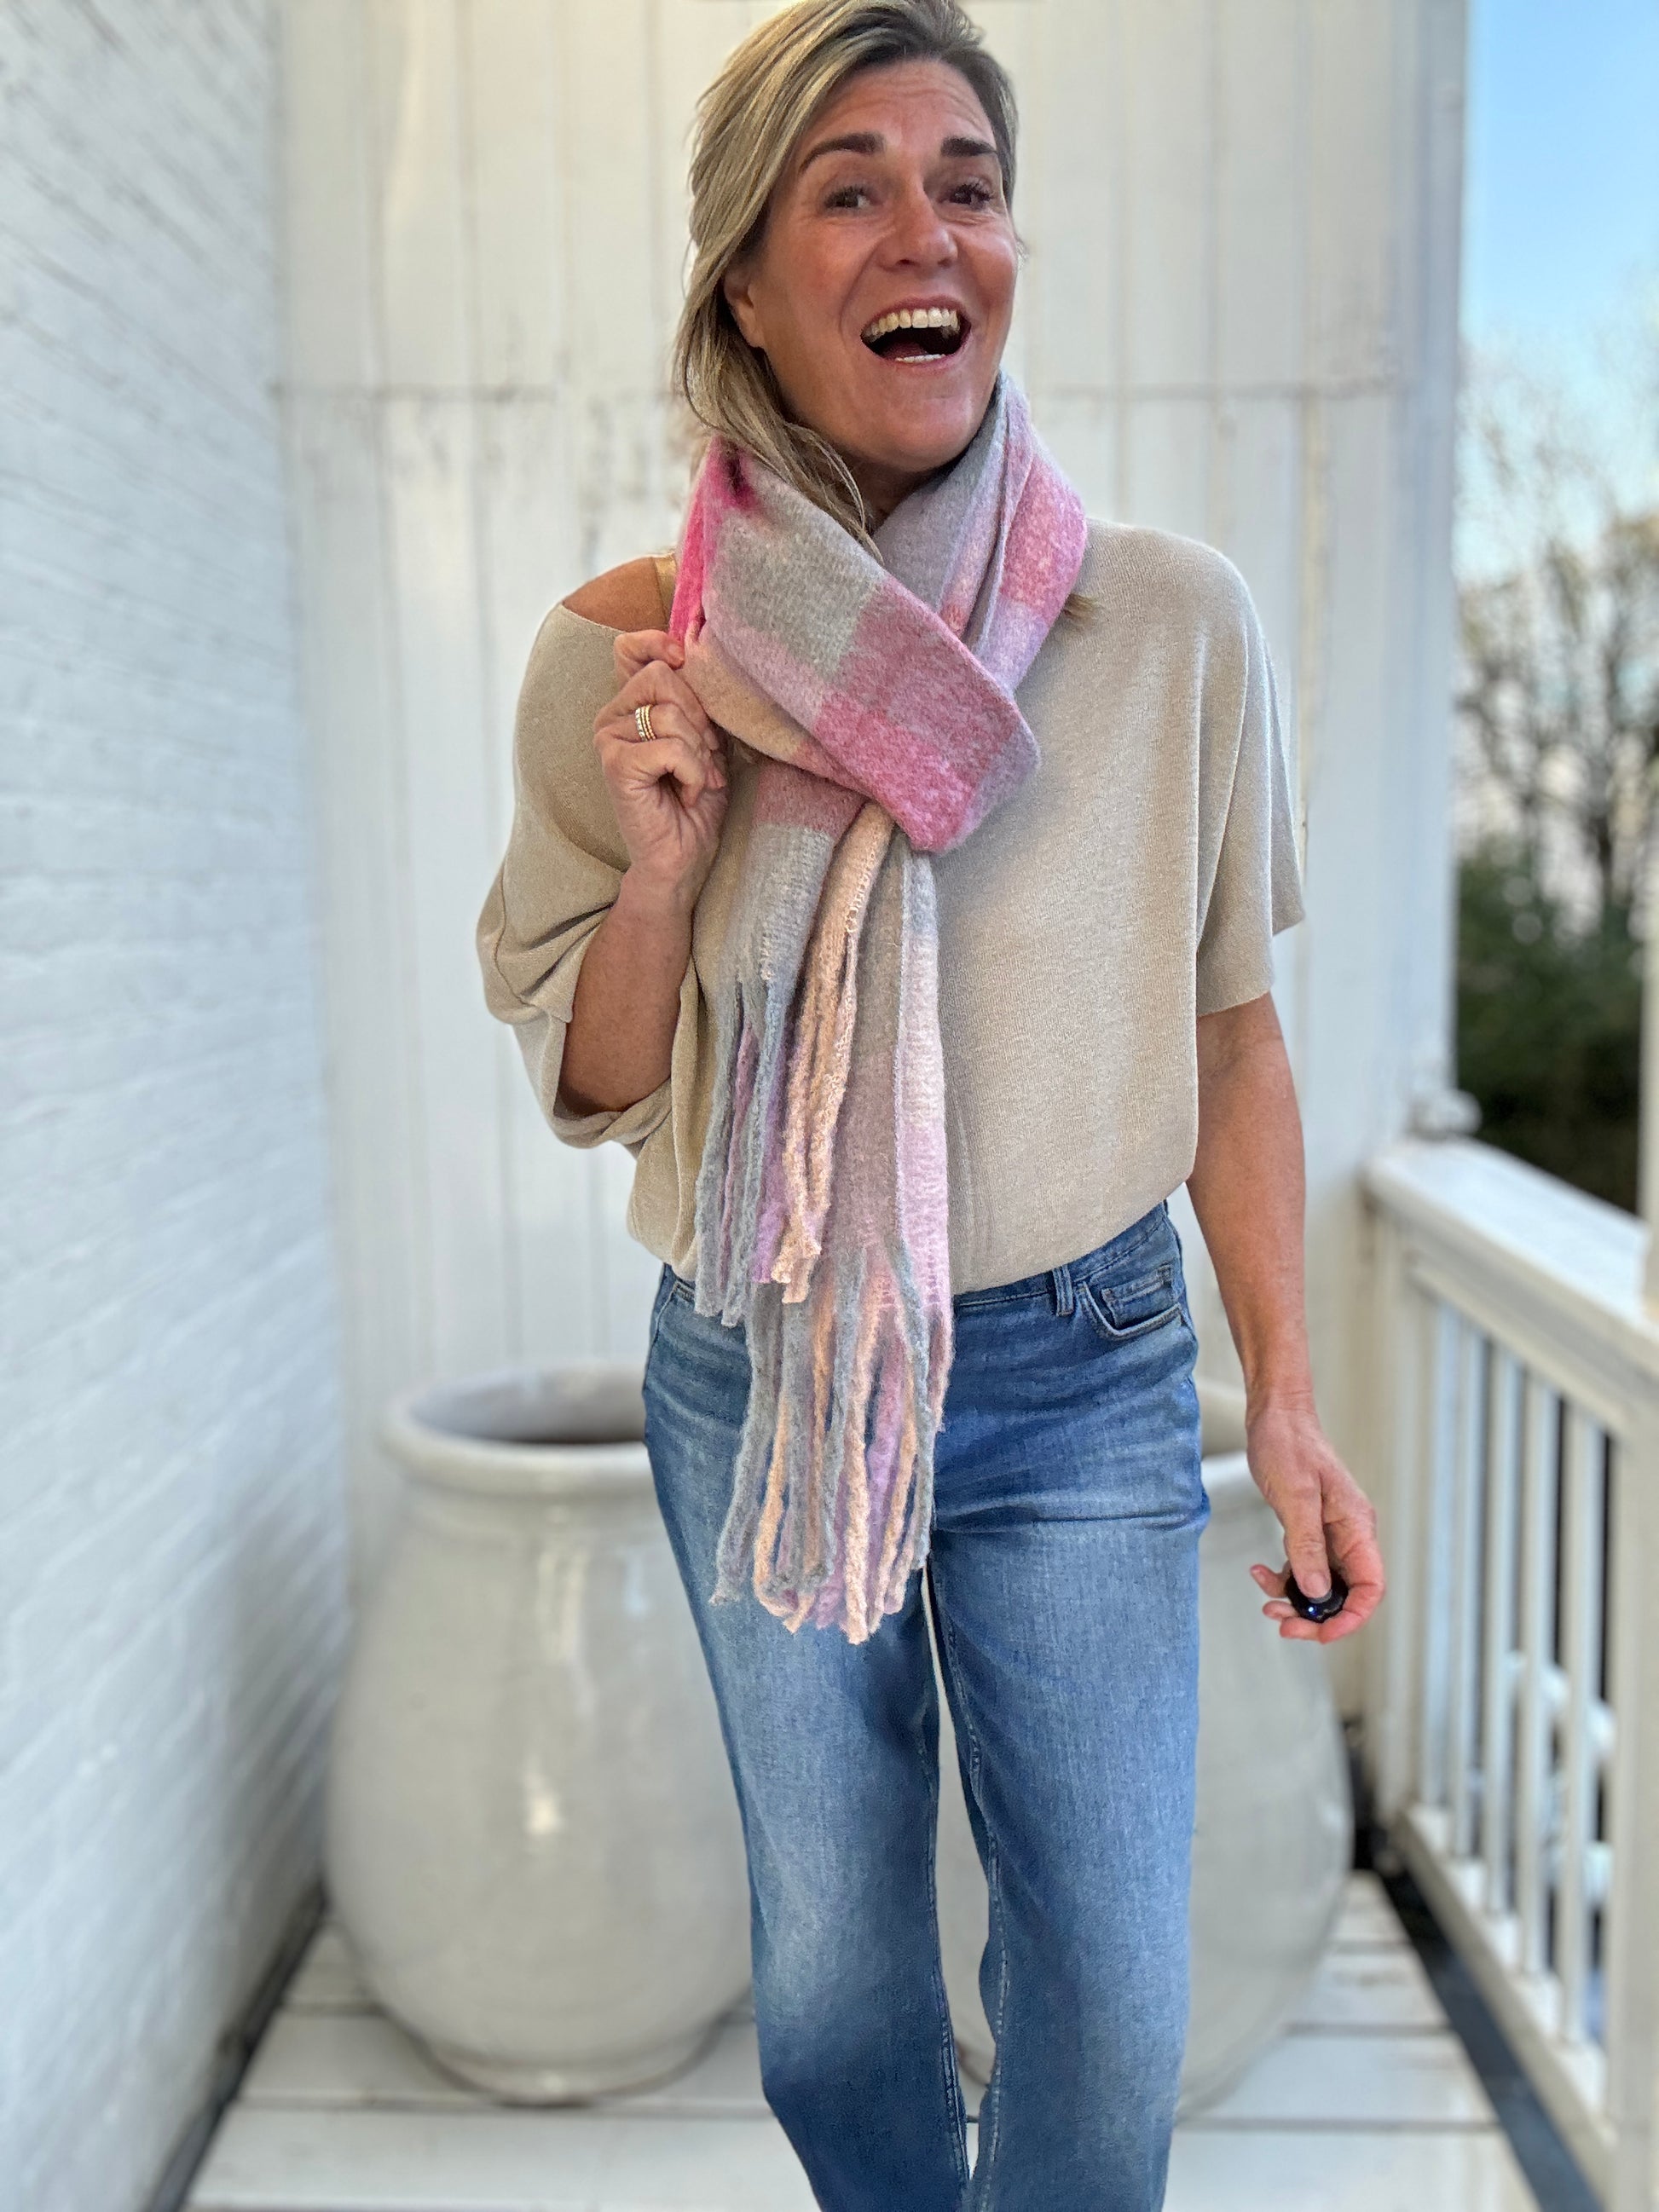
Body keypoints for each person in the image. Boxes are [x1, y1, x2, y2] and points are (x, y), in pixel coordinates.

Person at [477, 2, 1385, 2203]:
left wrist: (1283, 1393)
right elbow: (592, 1085)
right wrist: (666, 862)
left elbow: (1230, 1034)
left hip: (1082, 1370)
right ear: (747, 285)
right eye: (852, 188)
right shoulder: (631, 658)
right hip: (763, 1359)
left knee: (1111, 1991)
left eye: (965, 185)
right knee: (833, 1994)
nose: (927, 233)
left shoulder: (1169, 626)